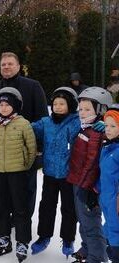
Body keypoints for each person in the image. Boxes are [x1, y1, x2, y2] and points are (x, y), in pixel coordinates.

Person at [0, 52, 48, 218]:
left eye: (10, 64)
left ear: (18, 66)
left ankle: (23, 219)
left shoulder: (33, 86)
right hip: (3, 152)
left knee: (27, 187)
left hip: (26, 150)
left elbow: (42, 118)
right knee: (4, 189)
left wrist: (39, 148)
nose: (6, 67)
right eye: (3, 64)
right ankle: (8, 219)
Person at [30, 87, 81, 257]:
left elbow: (91, 127)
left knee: (69, 208)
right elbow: (28, 128)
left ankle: (68, 239)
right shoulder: (45, 122)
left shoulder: (76, 122)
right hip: (50, 173)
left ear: (71, 105)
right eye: (55, 103)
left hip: (69, 175)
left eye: (62, 103)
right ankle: (43, 237)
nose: (58, 107)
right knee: (46, 207)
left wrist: (99, 123)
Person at [0, 87, 36, 262]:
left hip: (17, 172)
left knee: (20, 208)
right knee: (1, 206)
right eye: (1, 104)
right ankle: (3, 237)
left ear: (15, 106)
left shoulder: (23, 124)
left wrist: (25, 165)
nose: (3, 108)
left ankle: (23, 241)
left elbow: (31, 149)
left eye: (7, 105)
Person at [66, 87, 112, 263]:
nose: (82, 113)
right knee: (82, 221)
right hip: (77, 181)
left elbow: (92, 164)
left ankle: (96, 256)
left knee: (91, 223)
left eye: (87, 109)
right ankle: (87, 248)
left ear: (101, 110)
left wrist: (87, 189)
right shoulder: (85, 128)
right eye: (80, 108)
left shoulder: (99, 133)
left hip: (89, 185)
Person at [99, 106, 119, 263]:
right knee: (108, 227)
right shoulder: (107, 147)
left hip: (116, 201)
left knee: (115, 229)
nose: (108, 129)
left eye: (113, 126)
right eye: (106, 125)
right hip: (106, 198)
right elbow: (103, 175)